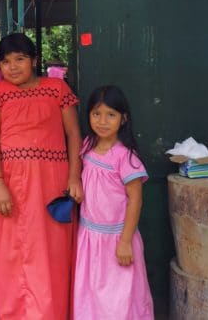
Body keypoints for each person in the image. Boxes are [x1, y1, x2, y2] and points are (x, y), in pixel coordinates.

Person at [0, 33, 83, 320]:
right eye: (5, 62)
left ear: (35, 61)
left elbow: (73, 134)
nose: (12, 67)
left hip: (53, 181)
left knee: (52, 251)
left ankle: (51, 313)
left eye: (20, 59)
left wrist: (74, 177)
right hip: (11, 183)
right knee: (12, 251)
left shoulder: (56, 88)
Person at [73, 85, 154, 320]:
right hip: (89, 237)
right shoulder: (87, 145)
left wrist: (126, 241)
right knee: (91, 294)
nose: (103, 121)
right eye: (96, 113)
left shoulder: (125, 157)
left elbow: (136, 200)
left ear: (123, 118)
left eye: (111, 115)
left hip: (118, 239)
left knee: (119, 298)